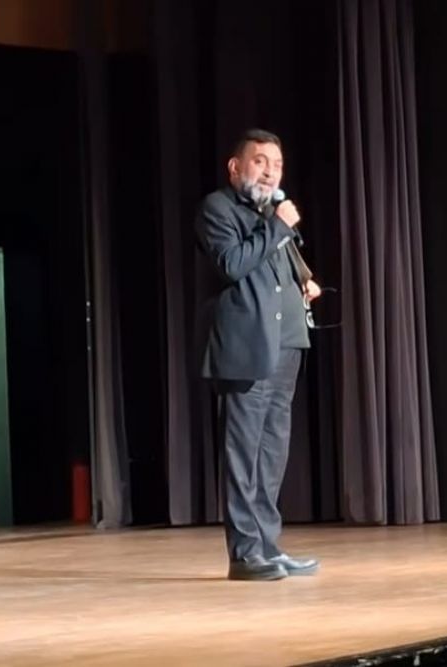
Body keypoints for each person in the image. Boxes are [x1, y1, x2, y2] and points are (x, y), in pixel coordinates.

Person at [195, 128, 321, 581]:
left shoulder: (270, 214)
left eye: (277, 165)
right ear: (236, 167)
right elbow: (232, 264)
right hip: (246, 348)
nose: (270, 172)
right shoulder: (218, 209)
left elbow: (273, 265)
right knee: (243, 454)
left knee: (271, 454)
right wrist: (278, 226)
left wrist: (302, 282)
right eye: (260, 161)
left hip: (286, 344)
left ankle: (268, 545)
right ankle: (245, 554)